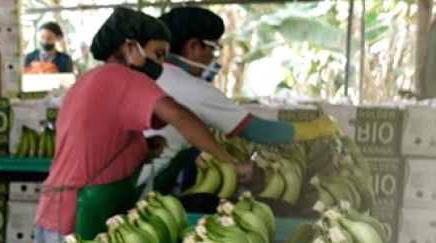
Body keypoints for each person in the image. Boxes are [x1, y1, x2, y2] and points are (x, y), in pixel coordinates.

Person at [32, 7, 253, 243]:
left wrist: (143, 147)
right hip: (75, 221)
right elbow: (179, 115)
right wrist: (228, 161)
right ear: (130, 48)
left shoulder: (91, 80)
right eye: (158, 54)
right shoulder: (125, 77)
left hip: (51, 217)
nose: (160, 65)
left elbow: (93, 145)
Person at [137, 6, 340, 194]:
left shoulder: (149, 76)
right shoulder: (192, 88)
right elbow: (257, 130)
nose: (214, 59)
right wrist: (314, 129)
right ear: (194, 47)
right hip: (144, 190)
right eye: (213, 50)